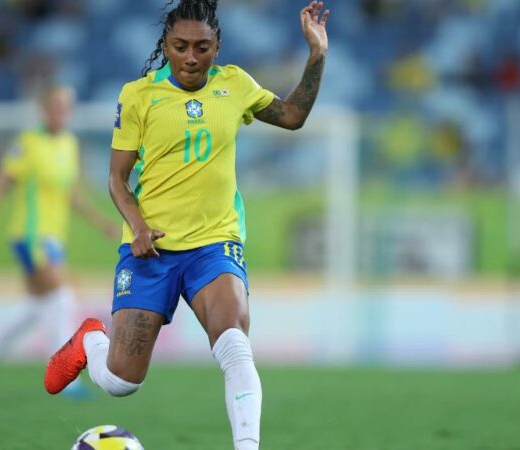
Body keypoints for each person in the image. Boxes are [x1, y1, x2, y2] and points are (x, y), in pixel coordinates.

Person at [44, 1, 329, 448]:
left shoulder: (235, 84)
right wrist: (137, 227)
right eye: (180, 47)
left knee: (234, 342)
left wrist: (316, 56)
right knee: (121, 383)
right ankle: (91, 341)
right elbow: (117, 179)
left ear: (217, 47)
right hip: (150, 248)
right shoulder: (138, 95)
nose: (191, 57)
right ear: (165, 46)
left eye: (202, 47)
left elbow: (293, 117)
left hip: (214, 243)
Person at [0, 84, 120, 397]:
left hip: (53, 239)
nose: (61, 112)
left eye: (66, 107)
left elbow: (70, 193)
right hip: (30, 236)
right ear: (44, 110)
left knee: (35, 306)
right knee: (62, 296)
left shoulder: (69, 144)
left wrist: (100, 223)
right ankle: (68, 378)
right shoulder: (27, 143)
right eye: (56, 106)